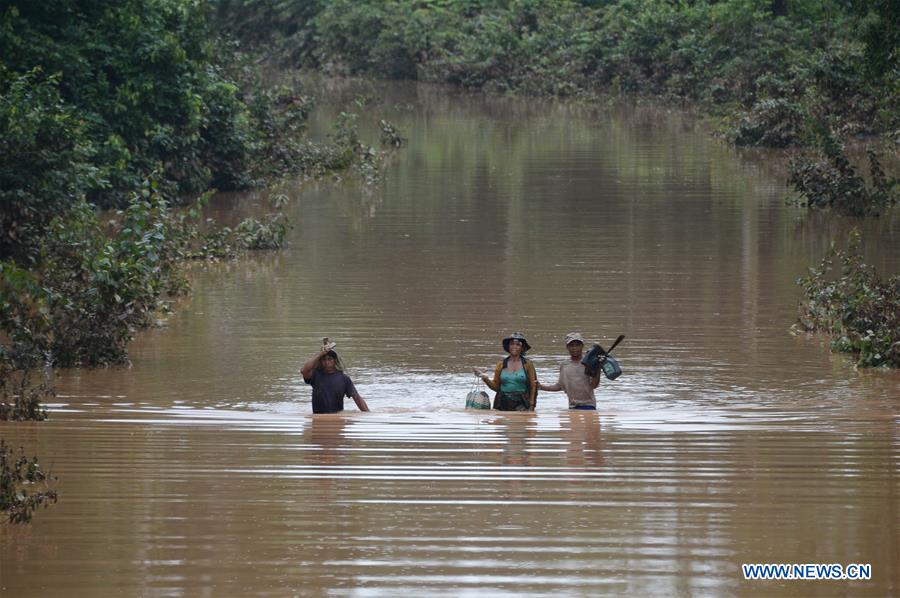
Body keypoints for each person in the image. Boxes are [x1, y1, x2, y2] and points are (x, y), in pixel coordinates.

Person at [473, 331, 538, 411]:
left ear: (522, 348)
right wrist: (485, 378)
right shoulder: (501, 364)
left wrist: (531, 406)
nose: (514, 347)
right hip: (502, 404)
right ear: (508, 346)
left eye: (518, 344)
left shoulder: (528, 364)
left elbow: (533, 386)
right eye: (512, 344)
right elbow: (496, 387)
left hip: (522, 404)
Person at [300, 342, 369, 414]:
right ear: (320, 361)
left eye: (329, 359)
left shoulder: (344, 379)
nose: (327, 362)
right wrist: (320, 354)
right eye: (324, 360)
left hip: (337, 418)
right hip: (318, 417)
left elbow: (357, 398)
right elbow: (304, 370)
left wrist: (368, 414)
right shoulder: (316, 375)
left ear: (335, 361)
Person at [537, 332, 600, 410]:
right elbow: (560, 386)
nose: (575, 348)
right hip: (572, 406)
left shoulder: (589, 363)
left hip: (589, 405)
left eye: (577, 345)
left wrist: (598, 369)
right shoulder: (564, 365)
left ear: (582, 346)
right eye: (572, 345)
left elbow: (594, 385)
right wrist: (541, 387)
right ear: (567, 347)